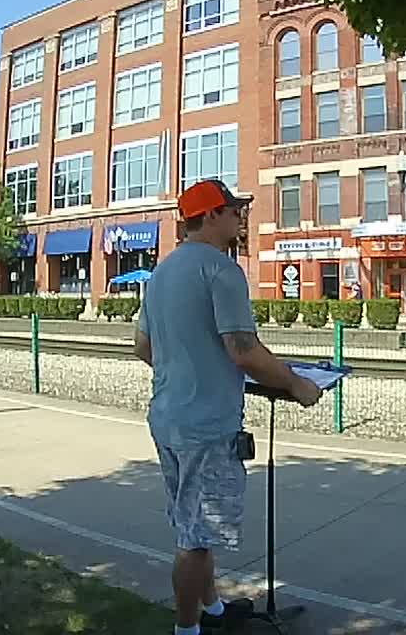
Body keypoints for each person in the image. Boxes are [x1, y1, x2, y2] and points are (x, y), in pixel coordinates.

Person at [134, 179, 322, 635]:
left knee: (195, 520)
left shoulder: (161, 273)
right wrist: (297, 384)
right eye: (233, 210)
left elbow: (142, 346)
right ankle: (187, 629)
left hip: (168, 418)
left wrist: (189, 363)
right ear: (211, 215)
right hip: (207, 426)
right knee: (195, 538)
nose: (240, 218)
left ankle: (213, 609)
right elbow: (243, 349)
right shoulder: (221, 271)